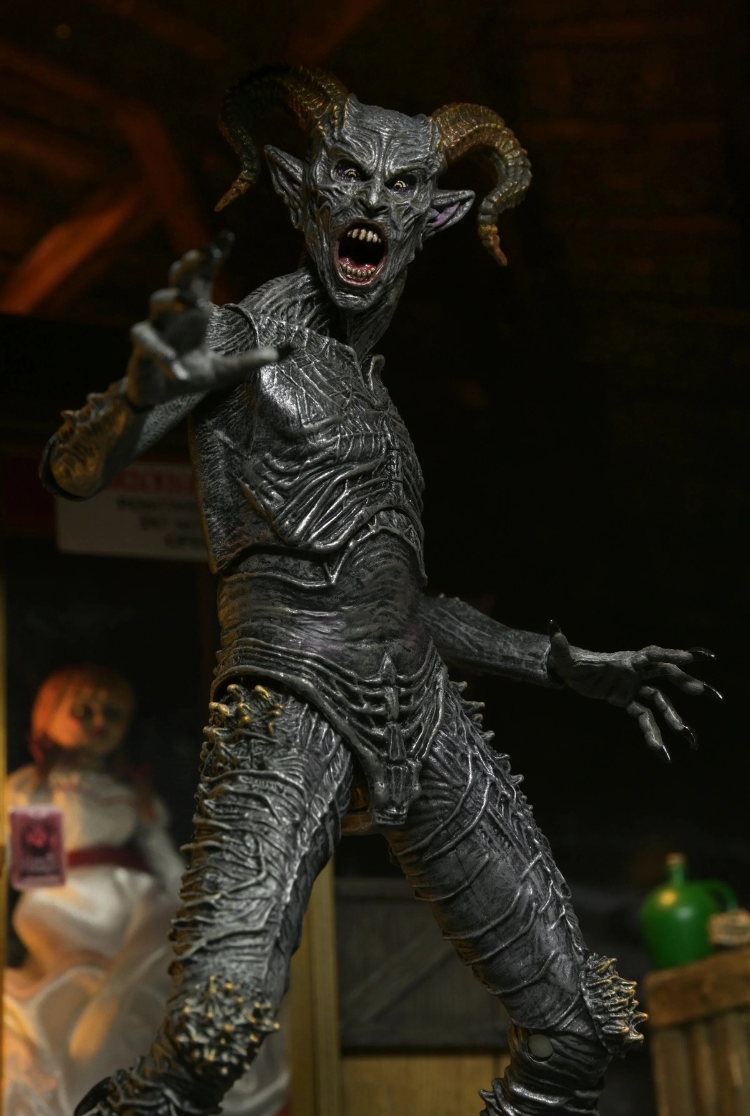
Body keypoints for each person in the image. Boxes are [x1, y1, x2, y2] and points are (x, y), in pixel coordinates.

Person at [41, 66, 717, 1115]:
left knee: (581, 1027)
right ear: (297, 189)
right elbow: (74, 469)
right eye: (348, 177)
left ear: (434, 219)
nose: (371, 203)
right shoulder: (237, 337)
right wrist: (136, 397)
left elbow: (403, 606)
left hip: (419, 705)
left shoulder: (378, 403)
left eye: (401, 188)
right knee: (214, 1035)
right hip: (290, 695)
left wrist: (560, 663)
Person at [4, 665, 288, 1116]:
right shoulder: (34, 787)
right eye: (83, 711)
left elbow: (159, 853)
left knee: (156, 963)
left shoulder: (131, 791)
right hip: (63, 903)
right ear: (47, 716)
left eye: (113, 714)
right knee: (77, 986)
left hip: (131, 901)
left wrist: (191, 898)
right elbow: (26, 861)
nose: (100, 722)